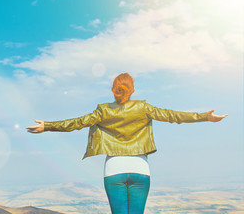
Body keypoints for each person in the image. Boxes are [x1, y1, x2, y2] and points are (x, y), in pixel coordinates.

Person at [26, 73, 228, 214]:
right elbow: (173, 115)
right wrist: (204, 117)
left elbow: (77, 123)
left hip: (114, 171)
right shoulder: (144, 108)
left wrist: (48, 126)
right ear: (132, 90)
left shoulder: (103, 111)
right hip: (141, 170)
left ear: (113, 90)